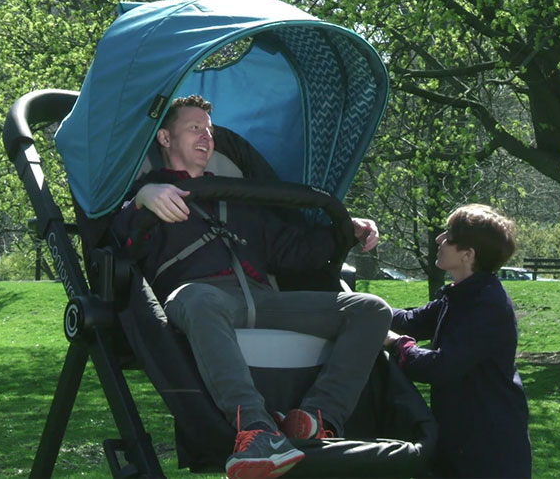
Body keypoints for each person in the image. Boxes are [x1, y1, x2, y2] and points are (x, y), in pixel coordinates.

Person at [112, 95, 392, 479]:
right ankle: (257, 430)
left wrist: (346, 230)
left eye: (209, 131)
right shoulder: (148, 193)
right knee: (199, 298)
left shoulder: (240, 198)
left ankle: (316, 417)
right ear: (164, 137)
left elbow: (291, 250)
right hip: (198, 299)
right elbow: (117, 244)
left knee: (371, 308)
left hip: (261, 301)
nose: (206, 137)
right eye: (194, 128)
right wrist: (142, 200)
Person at [384, 204, 532, 478]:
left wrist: (396, 344)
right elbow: (408, 320)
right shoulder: (459, 295)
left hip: (488, 446)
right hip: (461, 437)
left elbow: (442, 367)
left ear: (468, 254)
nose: (440, 239)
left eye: (450, 236)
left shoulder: (486, 304)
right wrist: (364, 307)